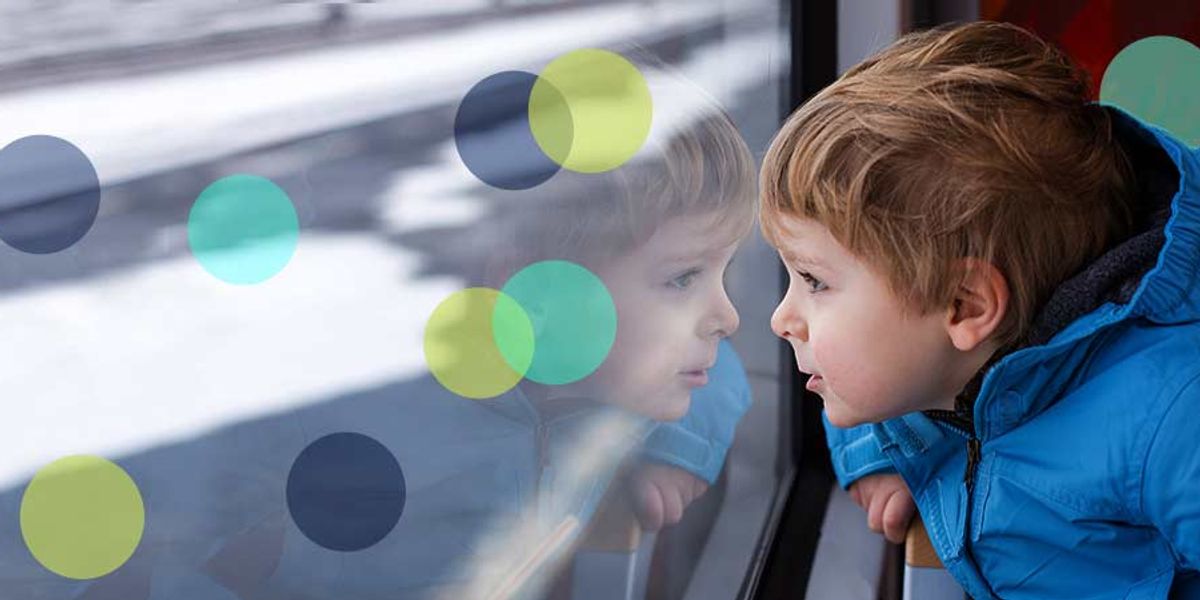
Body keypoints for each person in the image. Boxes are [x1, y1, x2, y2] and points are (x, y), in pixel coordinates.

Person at [760, 20, 1200, 599]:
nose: (781, 318)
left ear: (964, 305)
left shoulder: (1171, 419)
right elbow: (874, 384)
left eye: (815, 281)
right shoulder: (922, 365)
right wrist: (880, 456)